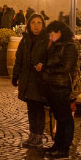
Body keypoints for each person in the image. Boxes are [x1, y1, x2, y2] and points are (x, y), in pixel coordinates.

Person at [39, 20, 79, 160]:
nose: (50, 37)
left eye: (52, 34)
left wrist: (45, 68)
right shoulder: (56, 46)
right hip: (52, 86)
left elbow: (66, 68)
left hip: (61, 87)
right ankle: (57, 145)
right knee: (59, 118)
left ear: (59, 32)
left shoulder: (69, 47)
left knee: (65, 118)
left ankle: (64, 149)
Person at [12, 13, 48, 147]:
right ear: (29, 25)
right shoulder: (26, 40)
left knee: (39, 108)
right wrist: (15, 76)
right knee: (31, 108)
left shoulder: (46, 40)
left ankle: (38, 135)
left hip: (40, 80)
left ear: (43, 25)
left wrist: (43, 66)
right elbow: (19, 59)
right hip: (27, 79)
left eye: (39, 23)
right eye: (33, 23)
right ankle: (32, 134)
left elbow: (50, 59)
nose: (36, 26)